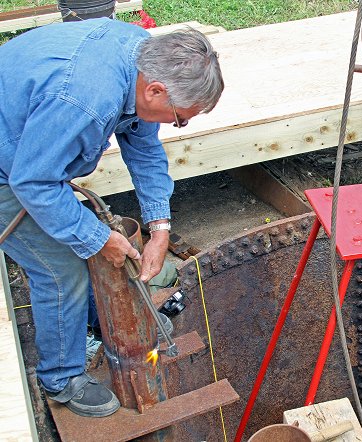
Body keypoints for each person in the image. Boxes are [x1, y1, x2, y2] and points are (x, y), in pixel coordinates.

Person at [0, 18, 223, 417]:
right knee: (60, 266)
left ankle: (96, 320)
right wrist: (96, 237)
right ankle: (62, 379)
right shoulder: (84, 98)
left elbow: (144, 149)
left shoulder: (143, 59)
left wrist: (159, 230)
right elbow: (33, 181)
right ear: (155, 90)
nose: (177, 125)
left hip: (31, 153)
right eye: (179, 118)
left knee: (82, 237)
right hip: (14, 170)